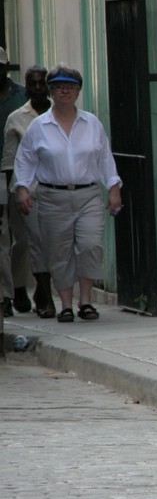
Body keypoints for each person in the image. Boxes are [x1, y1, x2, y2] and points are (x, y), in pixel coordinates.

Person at [14, 64, 123, 323]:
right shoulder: (39, 126)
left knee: (90, 245)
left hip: (87, 195)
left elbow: (104, 158)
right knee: (59, 251)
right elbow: (25, 160)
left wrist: (113, 188)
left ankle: (86, 301)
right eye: (60, 87)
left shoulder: (91, 122)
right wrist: (22, 189)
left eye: (71, 87)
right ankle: (65, 304)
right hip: (52, 196)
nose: (65, 92)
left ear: (78, 91)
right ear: (51, 91)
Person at [2, 65, 55, 318]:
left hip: (56, 189)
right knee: (27, 241)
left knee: (52, 243)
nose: (37, 88)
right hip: (25, 190)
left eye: (41, 83)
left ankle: (38, 291)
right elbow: (10, 161)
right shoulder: (17, 117)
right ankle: (25, 290)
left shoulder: (60, 112)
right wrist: (16, 193)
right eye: (32, 83)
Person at [0, 46, 27, 317]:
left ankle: (19, 283)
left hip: (17, 174)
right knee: (1, 237)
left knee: (25, 236)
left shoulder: (22, 96)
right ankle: (5, 295)